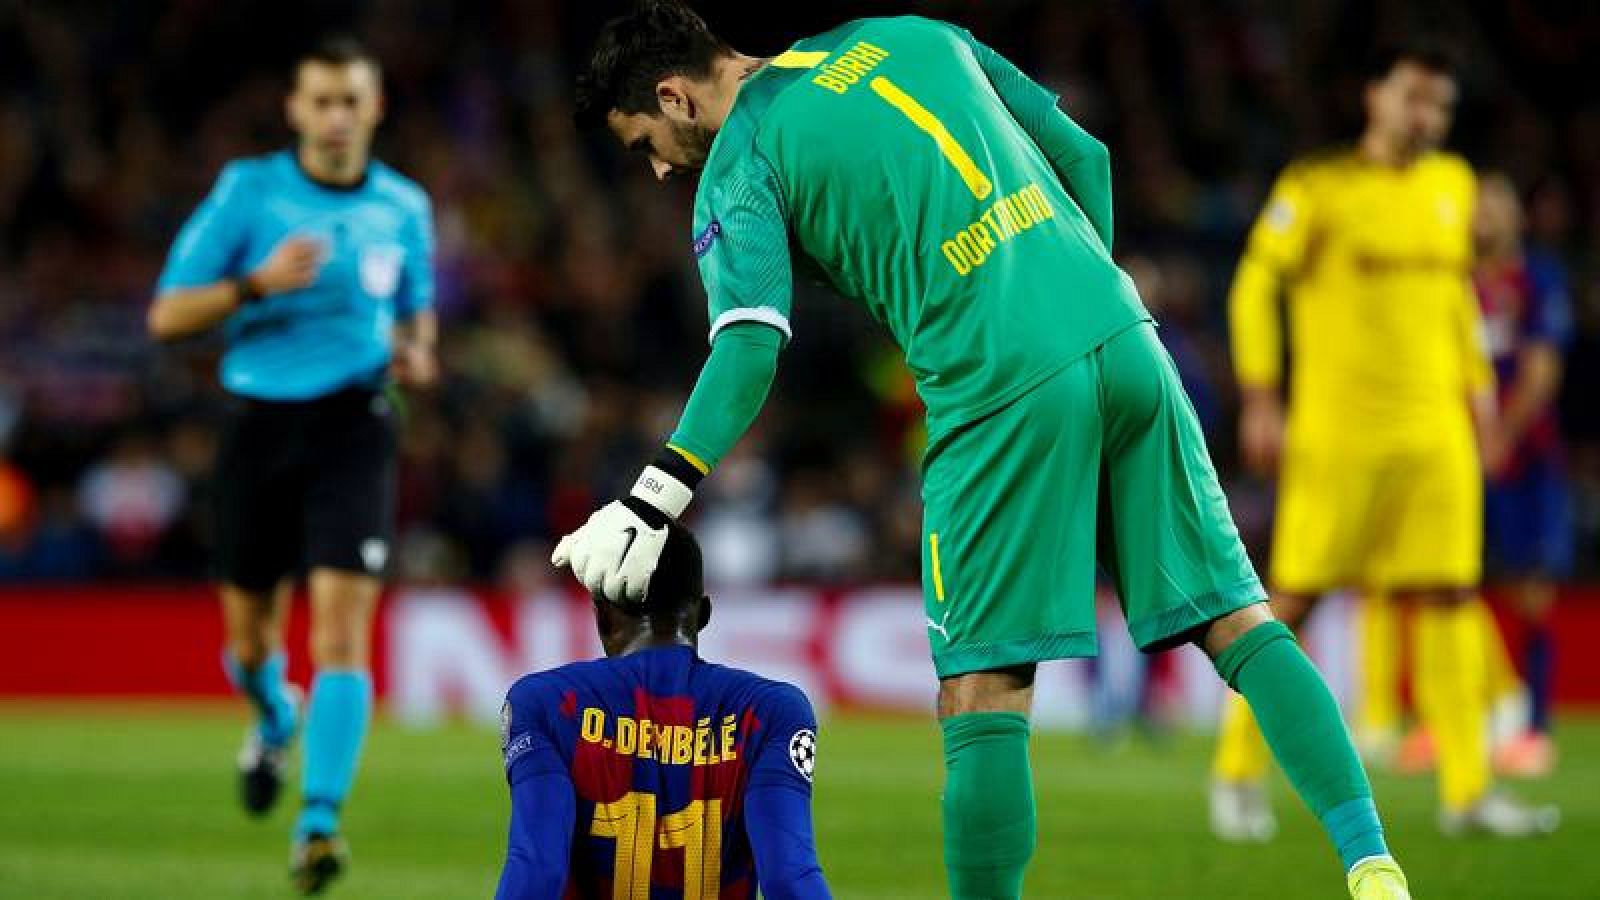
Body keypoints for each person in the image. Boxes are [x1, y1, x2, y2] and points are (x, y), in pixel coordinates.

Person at [559, 4, 1407, 897]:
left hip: (995, 386)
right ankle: (1372, 864)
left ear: (674, 96)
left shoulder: (739, 165)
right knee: (1240, 623)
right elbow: (1088, 157)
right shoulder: (913, 33)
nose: (656, 168)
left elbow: (748, 346)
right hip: (1123, 337)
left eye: (642, 143)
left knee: (983, 694)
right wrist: (1067, 307)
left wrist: (653, 497)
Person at [1219, 41, 1559, 840]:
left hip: (1436, 432)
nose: (1427, 117)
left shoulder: (1454, 185)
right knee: (1292, 604)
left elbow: (1456, 308)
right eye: (1413, 98)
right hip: (1340, 435)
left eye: (1440, 105)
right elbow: (1253, 284)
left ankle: (1468, 794)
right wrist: (1262, 395)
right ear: (1375, 95)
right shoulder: (1318, 186)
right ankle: (1236, 775)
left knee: (1448, 599)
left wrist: (1480, 400)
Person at [147, 36, 436, 894]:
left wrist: (417, 354)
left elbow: (418, 315)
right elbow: (166, 316)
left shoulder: (405, 207)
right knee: (249, 642)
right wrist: (254, 286)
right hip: (257, 427)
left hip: (355, 424)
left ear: (375, 108)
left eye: (353, 100)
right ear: (296, 111)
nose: (338, 117)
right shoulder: (249, 192)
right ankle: (273, 712)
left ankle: (317, 826)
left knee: (342, 630)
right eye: (322, 101)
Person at [498, 522, 830, 899]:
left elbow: (537, 872)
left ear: (602, 617)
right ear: (703, 612)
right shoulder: (772, 712)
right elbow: (790, 879)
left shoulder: (544, 704)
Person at [1475, 172, 1575, 777]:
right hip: (1467, 457)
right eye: (1477, 205)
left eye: (1496, 204)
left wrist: (1502, 436)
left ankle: (1535, 728)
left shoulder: (1536, 281)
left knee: (1533, 595)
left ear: (1516, 217)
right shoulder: (1455, 283)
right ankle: (1474, 716)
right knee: (1455, 588)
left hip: (1528, 462)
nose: (1484, 215)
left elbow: (1542, 371)